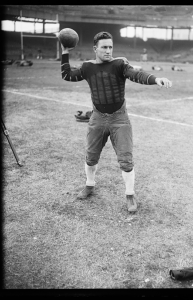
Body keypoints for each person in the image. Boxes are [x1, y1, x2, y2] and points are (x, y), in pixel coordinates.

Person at [60, 31, 172, 212]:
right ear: (95, 48)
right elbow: (67, 75)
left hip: (120, 118)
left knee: (126, 160)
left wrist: (155, 79)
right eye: (104, 47)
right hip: (97, 117)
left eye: (110, 47)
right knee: (91, 157)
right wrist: (65, 52)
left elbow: (137, 74)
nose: (108, 51)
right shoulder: (88, 67)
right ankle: (89, 184)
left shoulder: (120, 64)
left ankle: (130, 195)